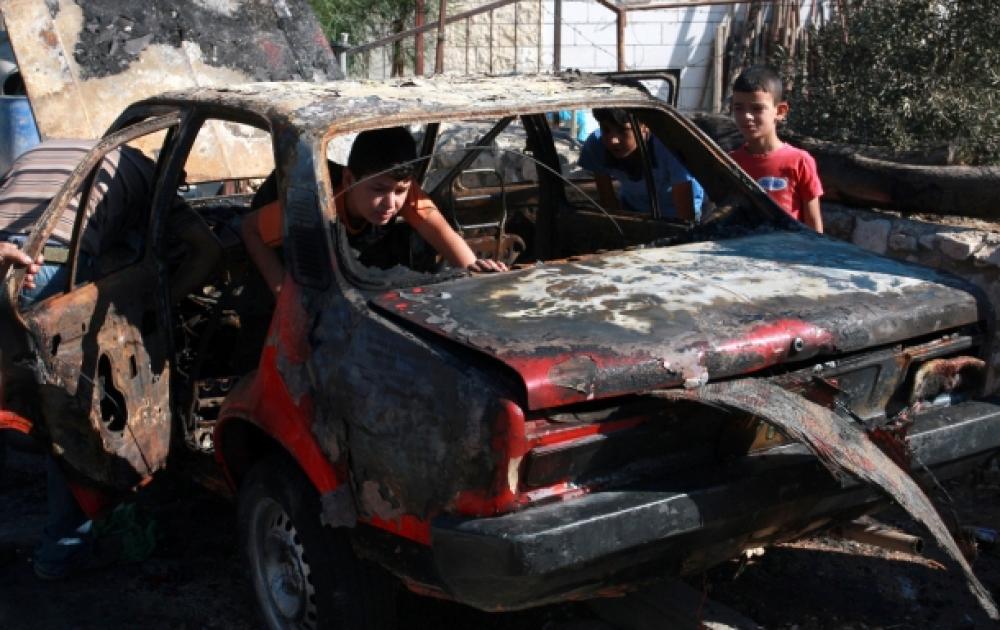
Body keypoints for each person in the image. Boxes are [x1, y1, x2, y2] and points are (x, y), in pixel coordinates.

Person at [0, 140, 220, 579]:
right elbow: (208, 250)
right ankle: (63, 551)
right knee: (69, 416)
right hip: (45, 267)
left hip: (6, 251)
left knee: (13, 394)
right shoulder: (148, 176)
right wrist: (157, 307)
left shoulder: (50, 150)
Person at [242, 126, 507, 298]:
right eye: (378, 190)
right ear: (349, 179)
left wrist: (479, 273)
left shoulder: (397, 186)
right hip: (283, 252)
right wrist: (285, 295)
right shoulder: (314, 202)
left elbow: (443, 236)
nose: (391, 203)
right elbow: (250, 228)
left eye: (401, 191)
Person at [729, 65, 824, 233]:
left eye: (757, 108)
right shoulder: (730, 163)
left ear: (780, 111)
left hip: (788, 249)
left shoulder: (800, 161)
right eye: (739, 108)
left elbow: (813, 225)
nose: (746, 116)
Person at [578, 107, 704, 221]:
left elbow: (685, 217)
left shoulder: (668, 146)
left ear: (645, 126)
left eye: (623, 130)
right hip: (633, 209)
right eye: (606, 130)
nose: (613, 140)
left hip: (674, 213)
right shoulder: (596, 145)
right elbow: (608, 203)